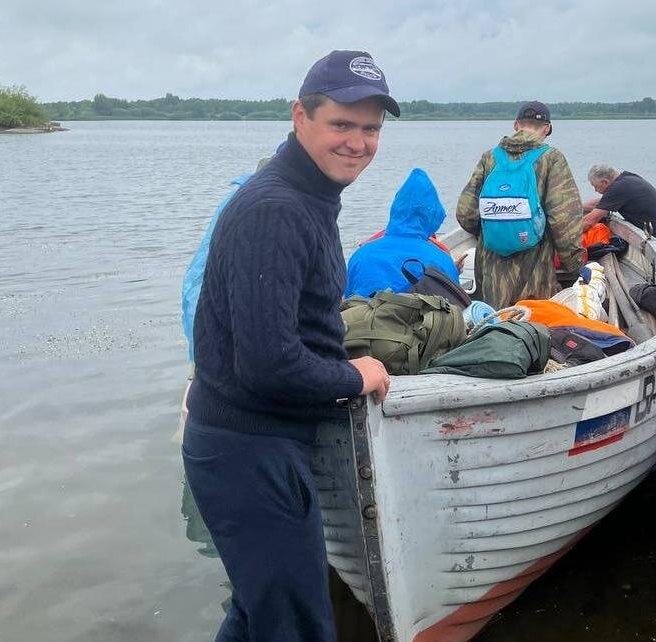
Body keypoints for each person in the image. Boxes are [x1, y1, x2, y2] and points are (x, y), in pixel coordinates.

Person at [182, 50, 398, 642]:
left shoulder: (309, 198)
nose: (358, 143)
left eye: (371, 129)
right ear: (300, 116)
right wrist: (357, 375)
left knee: (259, 616)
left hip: (257, 444)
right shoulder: (276, 209)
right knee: (295, 626)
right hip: (247, 451)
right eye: (342, 124)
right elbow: (269, 363)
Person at [456, 101, 583, 310]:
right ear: (547, 128)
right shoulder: (551, 158)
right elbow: (564, 219)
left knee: (494, 317)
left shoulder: (490, 157)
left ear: (516, 125)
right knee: (532, 320)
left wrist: (490, 231)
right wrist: (574, 264)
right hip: (535, 266)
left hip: (491, 265)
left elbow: (466, 212)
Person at [344, 167, 460, 297]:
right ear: (433, 215)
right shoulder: (442, 260)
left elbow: (347, 300)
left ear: (396, 210)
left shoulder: (360, 256)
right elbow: (455, 307)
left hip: (366, 316)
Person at [582, 164, 656, 258]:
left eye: (595, 186)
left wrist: (568, 236)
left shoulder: (618, 188)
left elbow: (589, 221)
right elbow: (599, 203)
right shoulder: (626, 179)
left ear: (605, 182)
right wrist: (576, 208)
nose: (595, 190)